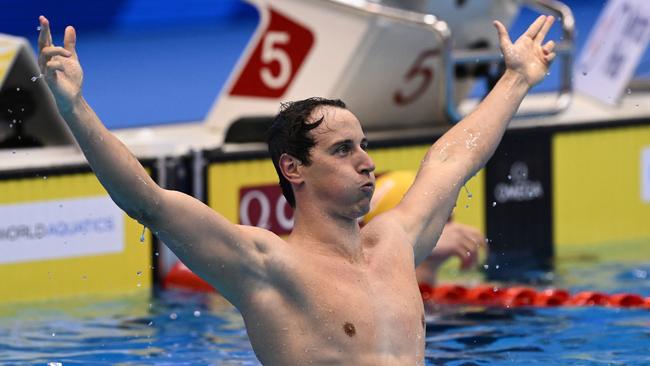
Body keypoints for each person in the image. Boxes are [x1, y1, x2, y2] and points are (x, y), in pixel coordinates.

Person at [37, 13, 556, 365]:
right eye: (343, 150)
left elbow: (452, 159)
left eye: (363, 145)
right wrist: (75, 108)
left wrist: (515, 80)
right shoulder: (267, 266)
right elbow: (147, 202)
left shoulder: (395, 244)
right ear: (293, 168)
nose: (367, 163)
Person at [364, 170, 486, 287]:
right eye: (428, 221)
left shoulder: (463, 291)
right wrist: (421, 246)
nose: (446, 229)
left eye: (446, 218)